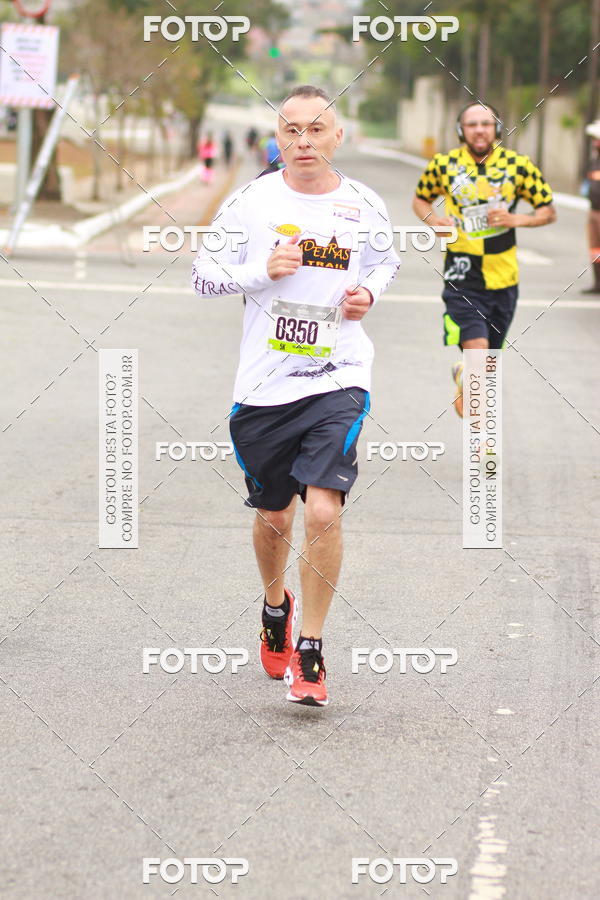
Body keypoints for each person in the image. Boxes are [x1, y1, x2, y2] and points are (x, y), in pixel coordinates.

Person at [191, 85, 400, 707]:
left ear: (340, 137)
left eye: (316, 129)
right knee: (276, 515)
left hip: (339, 376)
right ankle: (274, 604)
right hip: (264, 386)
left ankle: (310, 650)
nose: (302, 141)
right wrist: (263, 271)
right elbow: (202, 277)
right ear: (275, 138)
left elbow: (385, 264)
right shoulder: (251, 202)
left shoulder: (365, 204)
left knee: (322, 511)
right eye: (290, 130)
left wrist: (371, 294)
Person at [412, 102, 557, 417]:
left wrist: (517, 220)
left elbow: (548, 210)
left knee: (485, 367)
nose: (479, 130)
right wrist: (435, 221)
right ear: (461, 130)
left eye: (486, 124)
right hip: (462, 273)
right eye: (472, 124)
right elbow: (421, 198)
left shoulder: (519, 166)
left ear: (497, 129)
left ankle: (465, 376)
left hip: (504, 278)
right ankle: (482, 448)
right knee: (478, 362)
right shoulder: (444, 164)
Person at [582, 120, 600, 294]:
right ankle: (597, 283)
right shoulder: (594, 161)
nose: (595, 142)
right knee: (595, 249)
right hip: (594, 211)